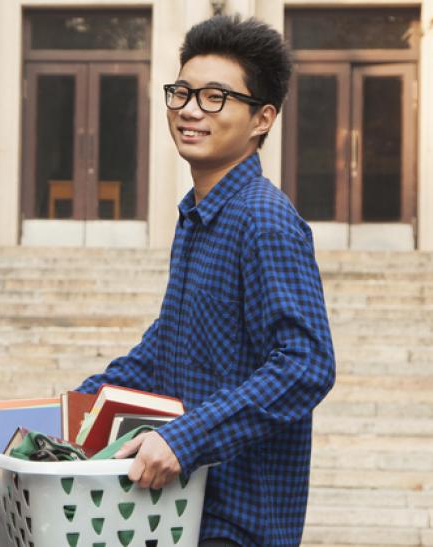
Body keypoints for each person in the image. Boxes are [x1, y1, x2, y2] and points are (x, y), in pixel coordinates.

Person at [75, 15, 336, 547]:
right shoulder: (198, 216)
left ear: (262, 118)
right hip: (185, 511)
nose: (191, 110)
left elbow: (307, 364)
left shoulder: (264, 218)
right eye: (182, 93)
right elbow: (167, 345)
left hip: (238, 520)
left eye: (216, 97)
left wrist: (185, 440)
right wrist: (80, 403)